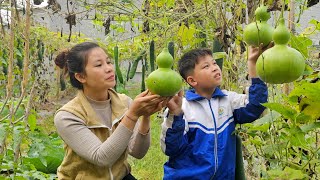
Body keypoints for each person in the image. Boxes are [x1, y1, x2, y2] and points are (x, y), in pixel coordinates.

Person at [54, 42, 168, 180]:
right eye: (98, 65)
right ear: (81, 77)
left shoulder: (124, 102)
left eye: (108, 62)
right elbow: (101, 158)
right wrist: (132, 115)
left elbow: (137, 152)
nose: (109, 69)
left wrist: (145, 116)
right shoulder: (67, 116)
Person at [160, 45, 269, 179]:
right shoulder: (183, 108)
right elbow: (171, 148)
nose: (215, 67)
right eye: (206, 66)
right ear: (192, 80)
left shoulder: (228, 100)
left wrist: (253, 63)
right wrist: (176, 115)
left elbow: (256, 106)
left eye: (214, 63)